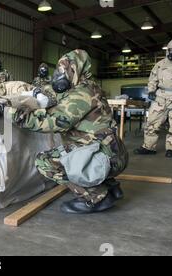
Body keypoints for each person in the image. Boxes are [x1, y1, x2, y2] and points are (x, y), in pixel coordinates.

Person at [12, 49, 128, 214]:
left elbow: (53, 122)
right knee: (77, 144)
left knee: (44, 161)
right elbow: (59, 96)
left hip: (103, 157)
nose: (61, 74)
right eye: (60, 70)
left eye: (66, 70)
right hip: (113, 152)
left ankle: (96, 197)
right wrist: (39, 92)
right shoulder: (88, 87)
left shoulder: (81, 95)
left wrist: (14, 114)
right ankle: (112, 187)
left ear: (77, 69)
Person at [134, 39, 172, 158]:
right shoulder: (160, 64)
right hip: (160, 97)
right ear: (168, 51)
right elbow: (152, 79)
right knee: (152, 121)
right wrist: (151, 90)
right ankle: (149, 147)